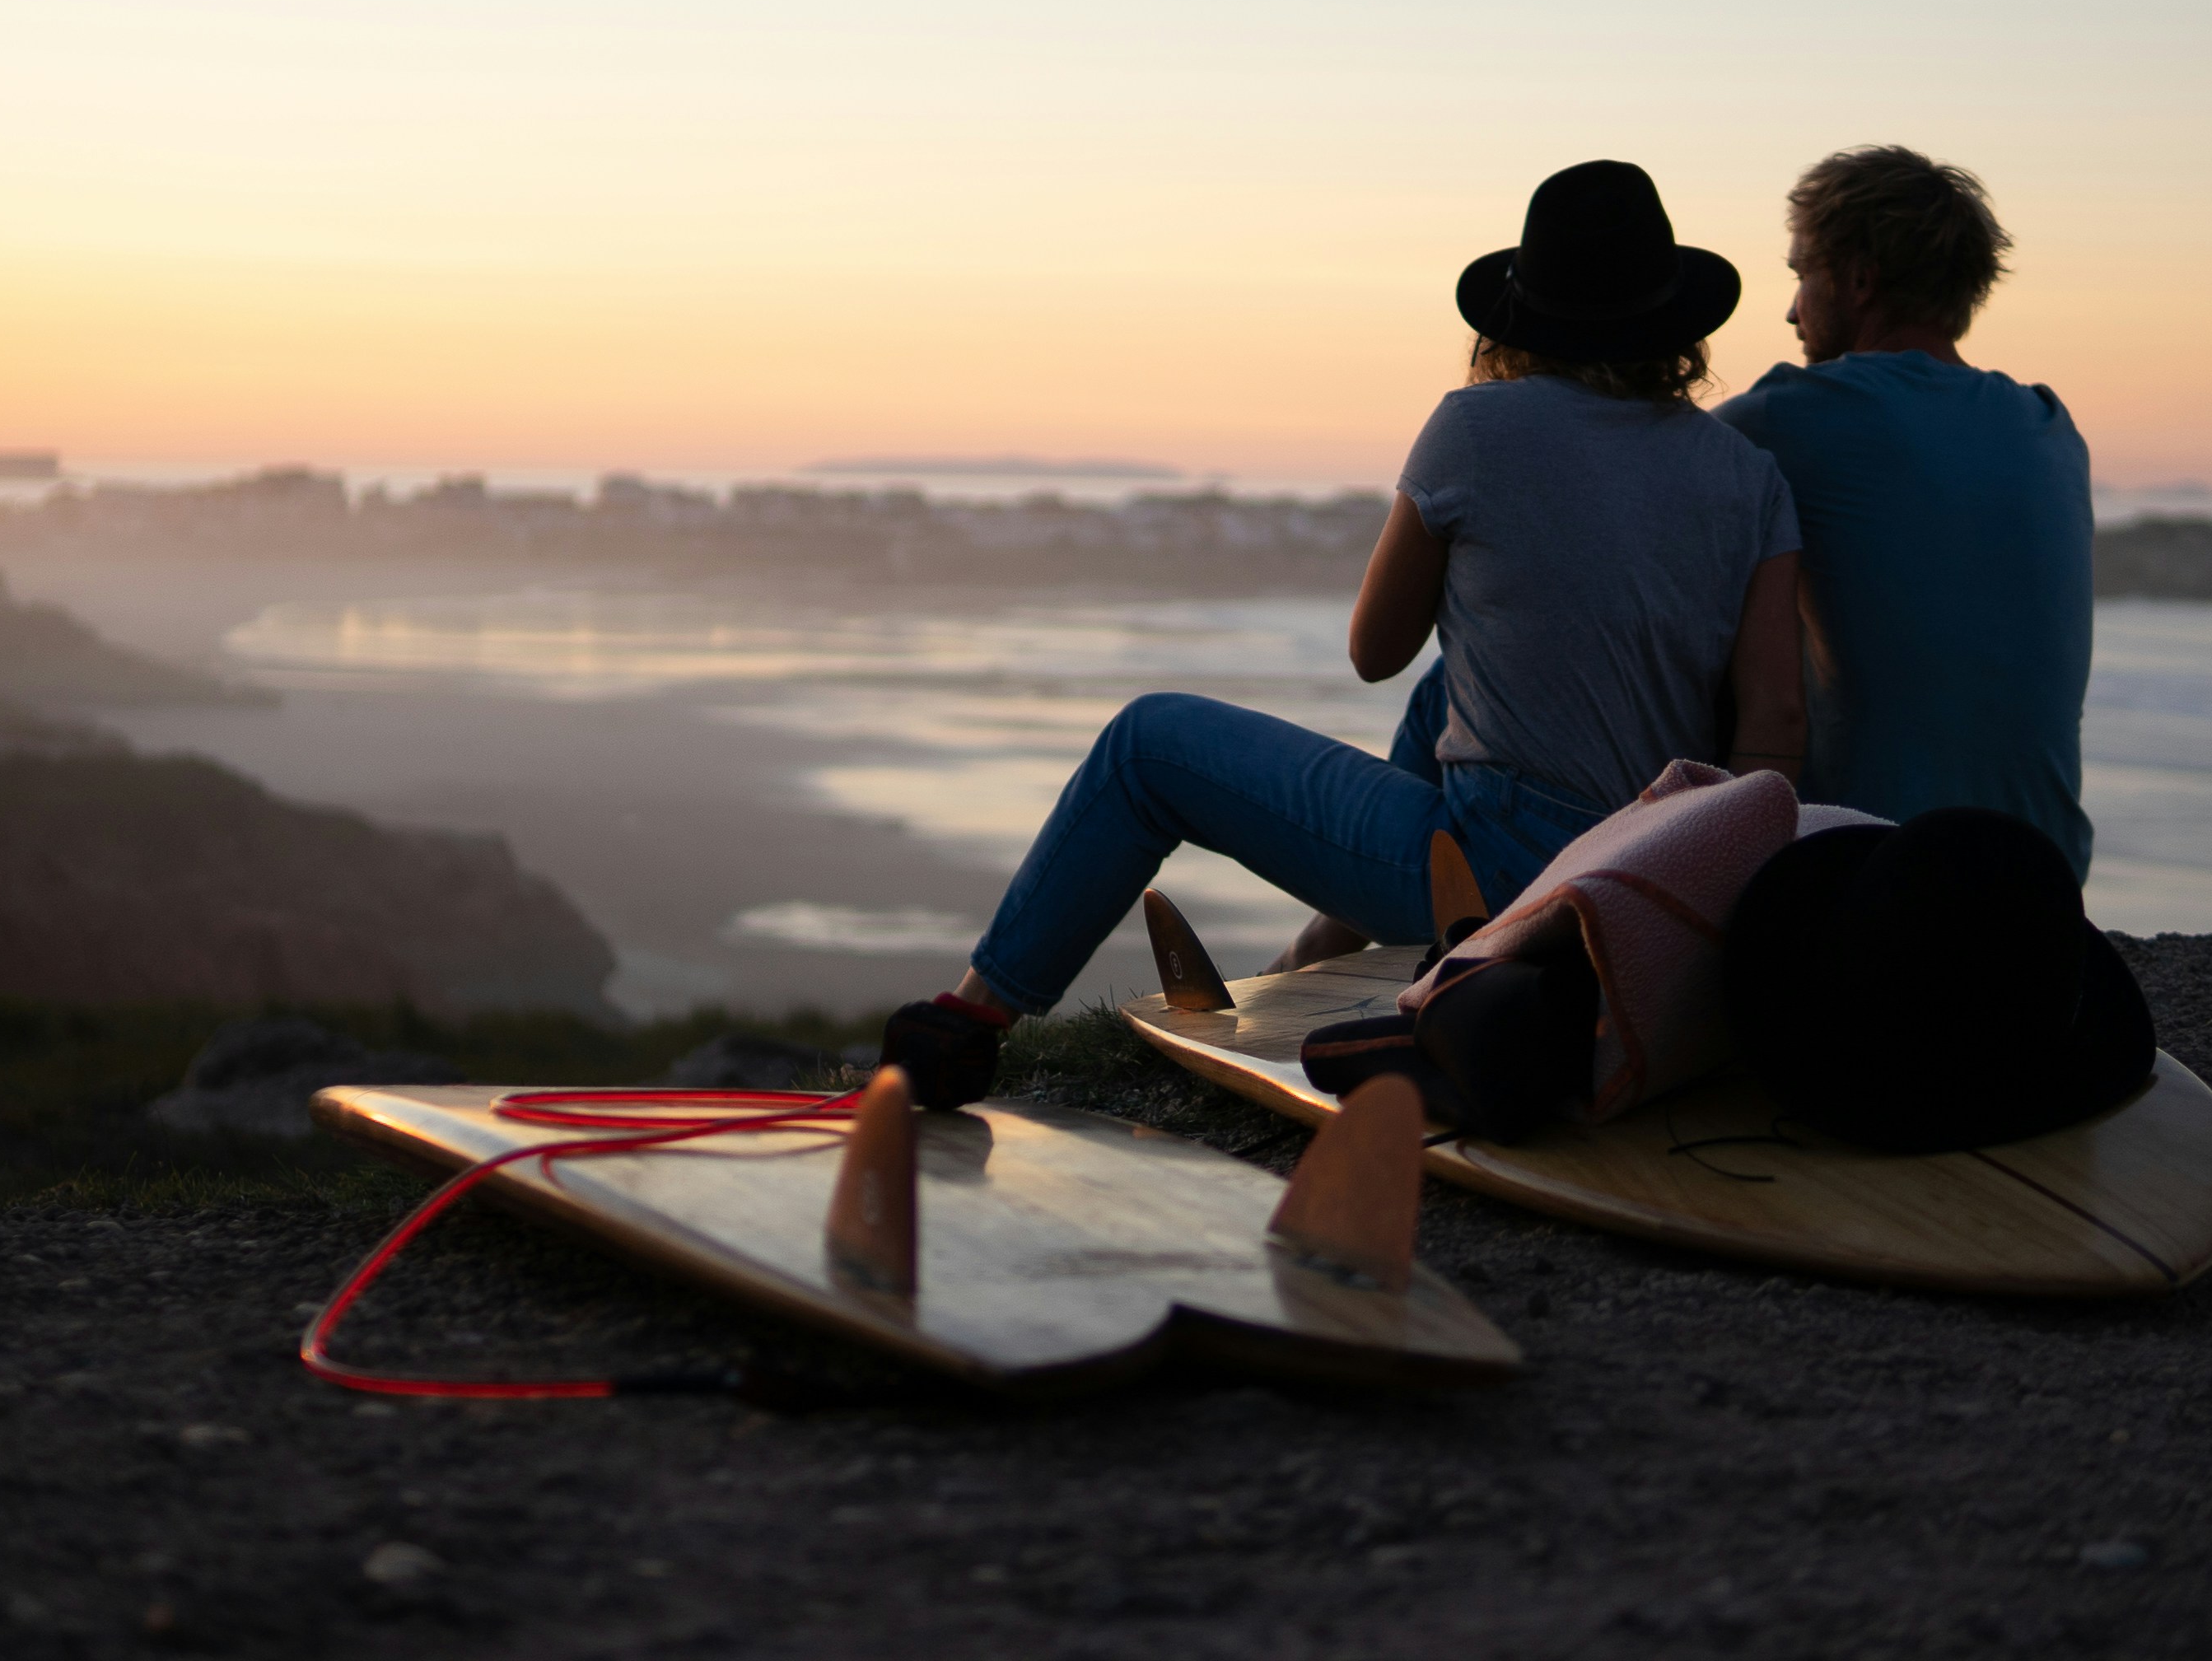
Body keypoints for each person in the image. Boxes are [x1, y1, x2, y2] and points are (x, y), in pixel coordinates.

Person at [879, 160, 1807, 1108]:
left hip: (1498, 877)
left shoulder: (1475, 427)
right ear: (1675, 327)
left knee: (1145, 743)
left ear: (1522, 317)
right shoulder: (1747, 471)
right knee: (1450, 685)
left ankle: (969, 1017)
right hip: (1644, 876)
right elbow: (1775, 717)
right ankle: (1318, 948)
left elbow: (1373, 648)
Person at [1716, 146, 2094, 877]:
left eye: (1801, 273)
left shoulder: (1791, 416)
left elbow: (1636, 507)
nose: (1792, 309)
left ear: (1858, 279)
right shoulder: (2049, 426)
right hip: (2045, 884)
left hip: (1876, 875)